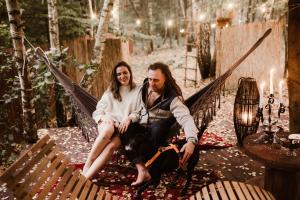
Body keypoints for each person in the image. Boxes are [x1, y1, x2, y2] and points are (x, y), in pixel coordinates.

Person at [123, 62, 199, 186]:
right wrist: (130, 118)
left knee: (157, 129)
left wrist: (191, 140)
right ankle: (142, 169)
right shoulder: (145, 87)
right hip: (143, 127)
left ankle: (153, 168)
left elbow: (186, 118)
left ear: (165, 79)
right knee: (124, 129)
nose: (152, 83)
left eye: (156, 80)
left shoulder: (173, 98)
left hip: (159, 131)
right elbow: (140, 110)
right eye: (150, 79)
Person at [82, 61, 140, 179]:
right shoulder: (111, 91)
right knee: (108, 129)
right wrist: (105, 118)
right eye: (119, 74)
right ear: (115, 76)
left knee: (111, 147)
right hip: (107, 123)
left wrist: (129, 118)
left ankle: (86, 177)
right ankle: (88, 163)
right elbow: (98, 111)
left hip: (123, 128)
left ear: (130, 73)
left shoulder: (138, 90)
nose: (122, 76)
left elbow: (139, 112)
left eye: (125, 73)